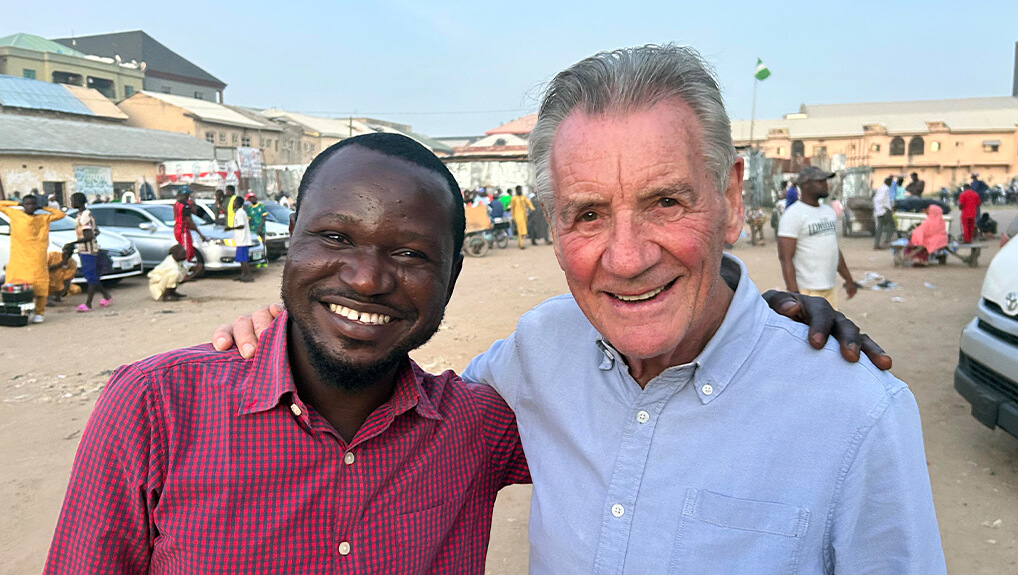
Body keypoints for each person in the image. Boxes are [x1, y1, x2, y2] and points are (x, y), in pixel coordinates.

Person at [215, 47, 936, 574]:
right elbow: (408, 413)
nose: (626, 257)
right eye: (588, 213)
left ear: (731, 196)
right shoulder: (539, 350)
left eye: (665, 201)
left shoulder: (856, 412)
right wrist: (295, 342)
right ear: (554, 227)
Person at [45, 133, 530, 573]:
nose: (366, 279)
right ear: (293, 235)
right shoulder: (157, 405)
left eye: (409, 254)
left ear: (452, 274)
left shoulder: (478, 426)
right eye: (335, 238)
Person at [779, 166, 858, 308]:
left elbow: (832, 248)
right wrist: (795, 294)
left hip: (829, 287)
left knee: (830, 328)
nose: (825, 185)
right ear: (805, 185)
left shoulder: (828, 211)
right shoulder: (793, 215)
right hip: (807, 290)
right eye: (820, 181)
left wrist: (848, 279)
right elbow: (785, 258)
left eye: (825, 181)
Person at [0, 194, 65, 323]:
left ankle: (39, 312)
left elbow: (60, 214)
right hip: (19, 259)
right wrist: (17, 204)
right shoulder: (15, 214)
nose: (30, 206)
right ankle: (15, 312)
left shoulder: (43, 218)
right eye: (27, 204)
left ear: (36, 206)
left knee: (40, 285)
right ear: (23, 205)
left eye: (33, 204)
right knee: (15, 286)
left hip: (37, 259)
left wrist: (44, 207)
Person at [69, 193, 113, 312]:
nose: (71, 202)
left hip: (88, 250)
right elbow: (96, 232)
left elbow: (88, 235)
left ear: (78, 202)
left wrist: (73, 243)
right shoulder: (85, 215)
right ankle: (106, 296)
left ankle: (88, 304)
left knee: (90, 276)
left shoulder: (84, 216)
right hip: (88, 249)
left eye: (72, 200)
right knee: (92, 275)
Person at [172, 186, 206, 275]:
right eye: (187, 195)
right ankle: (185, 272)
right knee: (187, 251)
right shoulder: (185, 206)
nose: (188, 196)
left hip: (177, 229)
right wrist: (200, 234)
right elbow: (189, 220)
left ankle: (181, 270)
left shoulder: (176, 204)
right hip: (183, 230)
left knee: (181, 249)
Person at [225, 195, 254, 282]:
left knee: (244, 259)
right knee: (241, 259)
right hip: (240, 239)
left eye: (234, 202)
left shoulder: (240, 213)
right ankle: (243, 275)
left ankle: (249, 276)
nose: (232, 204)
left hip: (243, 240)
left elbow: (241, 225)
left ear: (237, 203)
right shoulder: (238, 212)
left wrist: (231, 228)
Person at [245, 193, 269, 269]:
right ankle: (258, 260)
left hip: (261, 229)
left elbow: (264, 217)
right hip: (253, 230)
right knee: (256, 247)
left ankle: (265, 260)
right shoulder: (249, 208)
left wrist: (260, 227)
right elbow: (249, 219)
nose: (252, 199)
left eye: (253, 197)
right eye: (250, 198)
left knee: (263, 244)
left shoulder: (261, 205)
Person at [872, 176, 895, 249]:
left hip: (879, 211)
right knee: (891, 225)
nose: (891, 184)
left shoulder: (880, 188)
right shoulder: (885, 189)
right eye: (891, 182)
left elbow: (876, 199)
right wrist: (887, 207)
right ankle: (886, 241)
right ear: (888, 182)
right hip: (884, 210)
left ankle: (876, 243)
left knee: (880, 227)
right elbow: (881, 199)